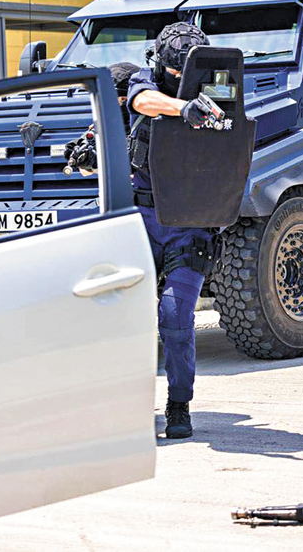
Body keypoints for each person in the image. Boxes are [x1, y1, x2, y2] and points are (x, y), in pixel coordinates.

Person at [126, 22, 219, 439]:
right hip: (143, 219)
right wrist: (182, 108)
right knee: (129, 320)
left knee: (176, 316)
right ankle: (130, 406)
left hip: (190, 221)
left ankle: (179, 403)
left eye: (188, 72)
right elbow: (143, 100)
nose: (182, 79)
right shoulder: (147, 82)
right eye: (175, 71)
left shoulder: (218, 83)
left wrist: (213, 114)